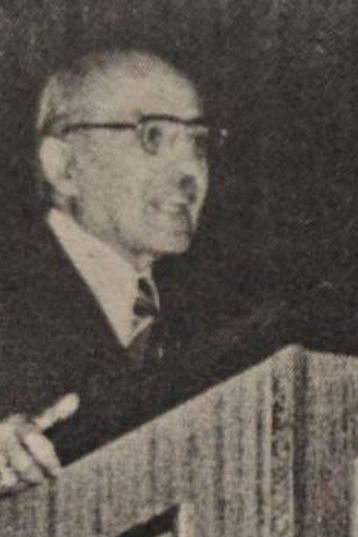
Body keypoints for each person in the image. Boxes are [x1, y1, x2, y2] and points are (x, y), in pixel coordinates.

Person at [0, 49, 221, 494]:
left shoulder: (214, 320)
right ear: (63, 166)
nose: (188, 172)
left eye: (198, 142)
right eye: (152, 137)